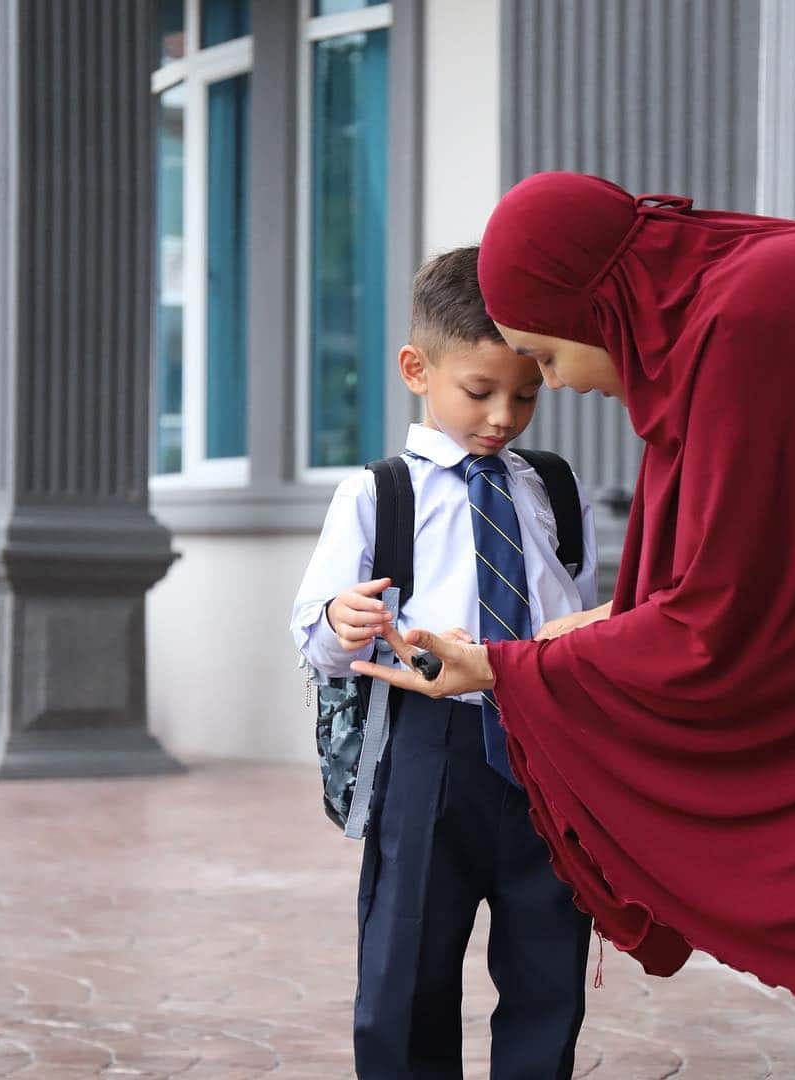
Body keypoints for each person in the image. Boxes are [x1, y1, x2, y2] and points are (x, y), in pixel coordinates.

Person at [352, 173, 795, 1078]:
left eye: (545, 357)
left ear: (592, 306)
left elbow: (715, 630)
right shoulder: (738, 297)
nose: (555, 385)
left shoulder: (743, 327)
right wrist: (518, 658)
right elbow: (719, 591)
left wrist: (504, 673)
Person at [291, 245, 598, 1079]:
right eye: (481, 391)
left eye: (526, 394)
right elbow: (315, 636)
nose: (503, 416)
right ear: (416, 368)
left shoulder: (552, 489)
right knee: (406, 968)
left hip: (548, 752)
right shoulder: (377, 493)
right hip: (432, 751)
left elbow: (582, 612)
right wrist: (340, 618)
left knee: (548, 967)